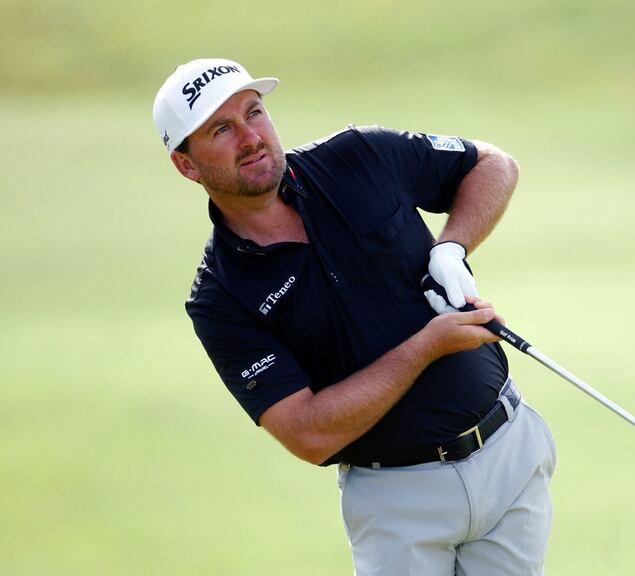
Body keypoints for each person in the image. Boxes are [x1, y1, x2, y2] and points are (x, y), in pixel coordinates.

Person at [152, 58, 556, 575]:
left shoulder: (357, 156)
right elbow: (307, 433)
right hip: (397, 503)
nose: (250, 137)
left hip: (509, 455)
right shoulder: (220, 297)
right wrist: (426, 346)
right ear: (187, 164)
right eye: (221, 129)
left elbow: (493, 164)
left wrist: (452, 247)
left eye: (254, 113)